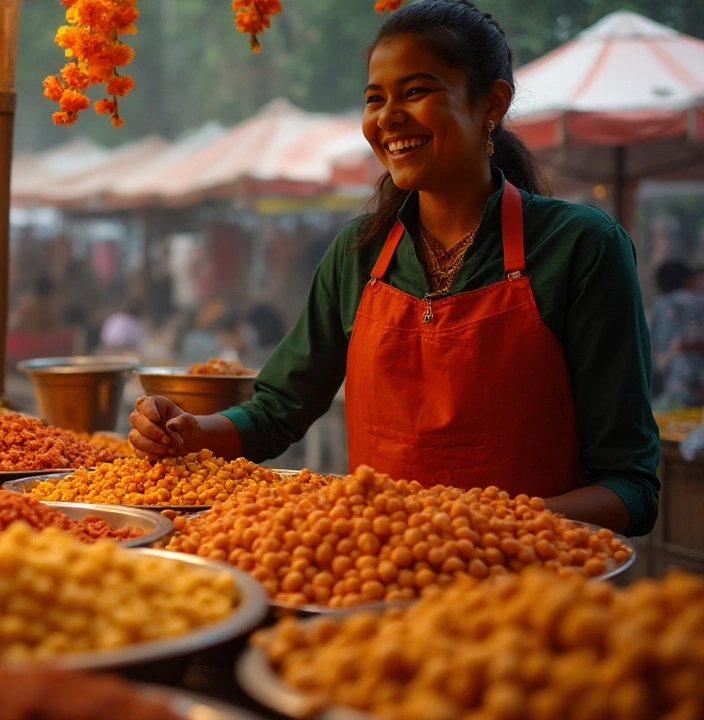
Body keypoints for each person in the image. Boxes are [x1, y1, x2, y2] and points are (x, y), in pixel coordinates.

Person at [128, 0, 659, 536]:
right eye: (374, 98)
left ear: (492, 103)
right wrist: (191, 430)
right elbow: (276, 411)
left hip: (524, 593)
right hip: (379, 582)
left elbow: (629, 487)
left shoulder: (582, 247)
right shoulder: (358, 252)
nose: (387, 117)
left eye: (416, 91)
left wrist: (487, 526)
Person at [649, 260, 704, 409]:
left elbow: (653, 340)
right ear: (687, 280)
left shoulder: (659, 304)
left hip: (671, 379)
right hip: (695, 377)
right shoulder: (696, 300)